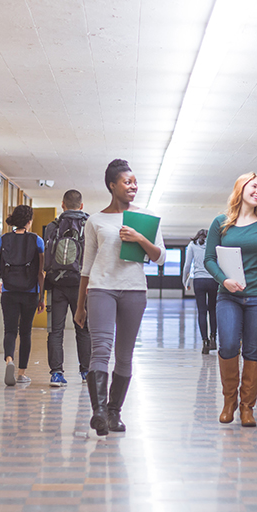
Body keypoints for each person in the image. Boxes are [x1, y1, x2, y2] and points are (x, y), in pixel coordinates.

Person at [74, 159, 165, 436]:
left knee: (124, 355)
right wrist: (80, 306)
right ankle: (99, 412)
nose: (133, 186)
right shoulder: (95, 220)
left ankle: (114, 412)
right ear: (112, 185)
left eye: (135, 182)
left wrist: (139, 238)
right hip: (101, 289)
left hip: (134, 290)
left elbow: (160, 257)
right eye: (127, 182)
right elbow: (87, 266)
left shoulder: (146, 218)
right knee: (100, 349)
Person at [204, 172, 257, 427]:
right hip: (229, 296)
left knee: (253, 350)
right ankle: (229, 401)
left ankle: (247, 408)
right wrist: (224, 281)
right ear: (240, 188)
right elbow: (209, 259)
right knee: (229, 344)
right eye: (254, 186)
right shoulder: (221, 223)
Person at [0, 204, 45, 387]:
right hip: (30, 293)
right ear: (29, 221)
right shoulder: (37, 241)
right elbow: (40, 273)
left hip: (9, 292)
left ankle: (9, 360)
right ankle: (22, 373)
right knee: (25, 332)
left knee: (10, 330)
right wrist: (41, 297)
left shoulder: (3, 239)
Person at [43, 189, 90, 388]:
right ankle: (86, 372)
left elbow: (46, 258)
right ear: (81, 205)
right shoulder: (89, 225)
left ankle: (56, 373)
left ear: (62, 205)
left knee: (55, 331)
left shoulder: (52, 227)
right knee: (83, 329)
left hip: (57, 285)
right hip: (81, 284)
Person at [182, 229, 218, 354]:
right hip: (213, 279)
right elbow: (220, 263)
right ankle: (213, 338)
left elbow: (187, 265)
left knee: (202, 312)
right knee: (213, 310)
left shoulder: (192, 245)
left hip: (199, 280)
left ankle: (205, 342)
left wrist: (184, 281)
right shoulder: (214, 244)